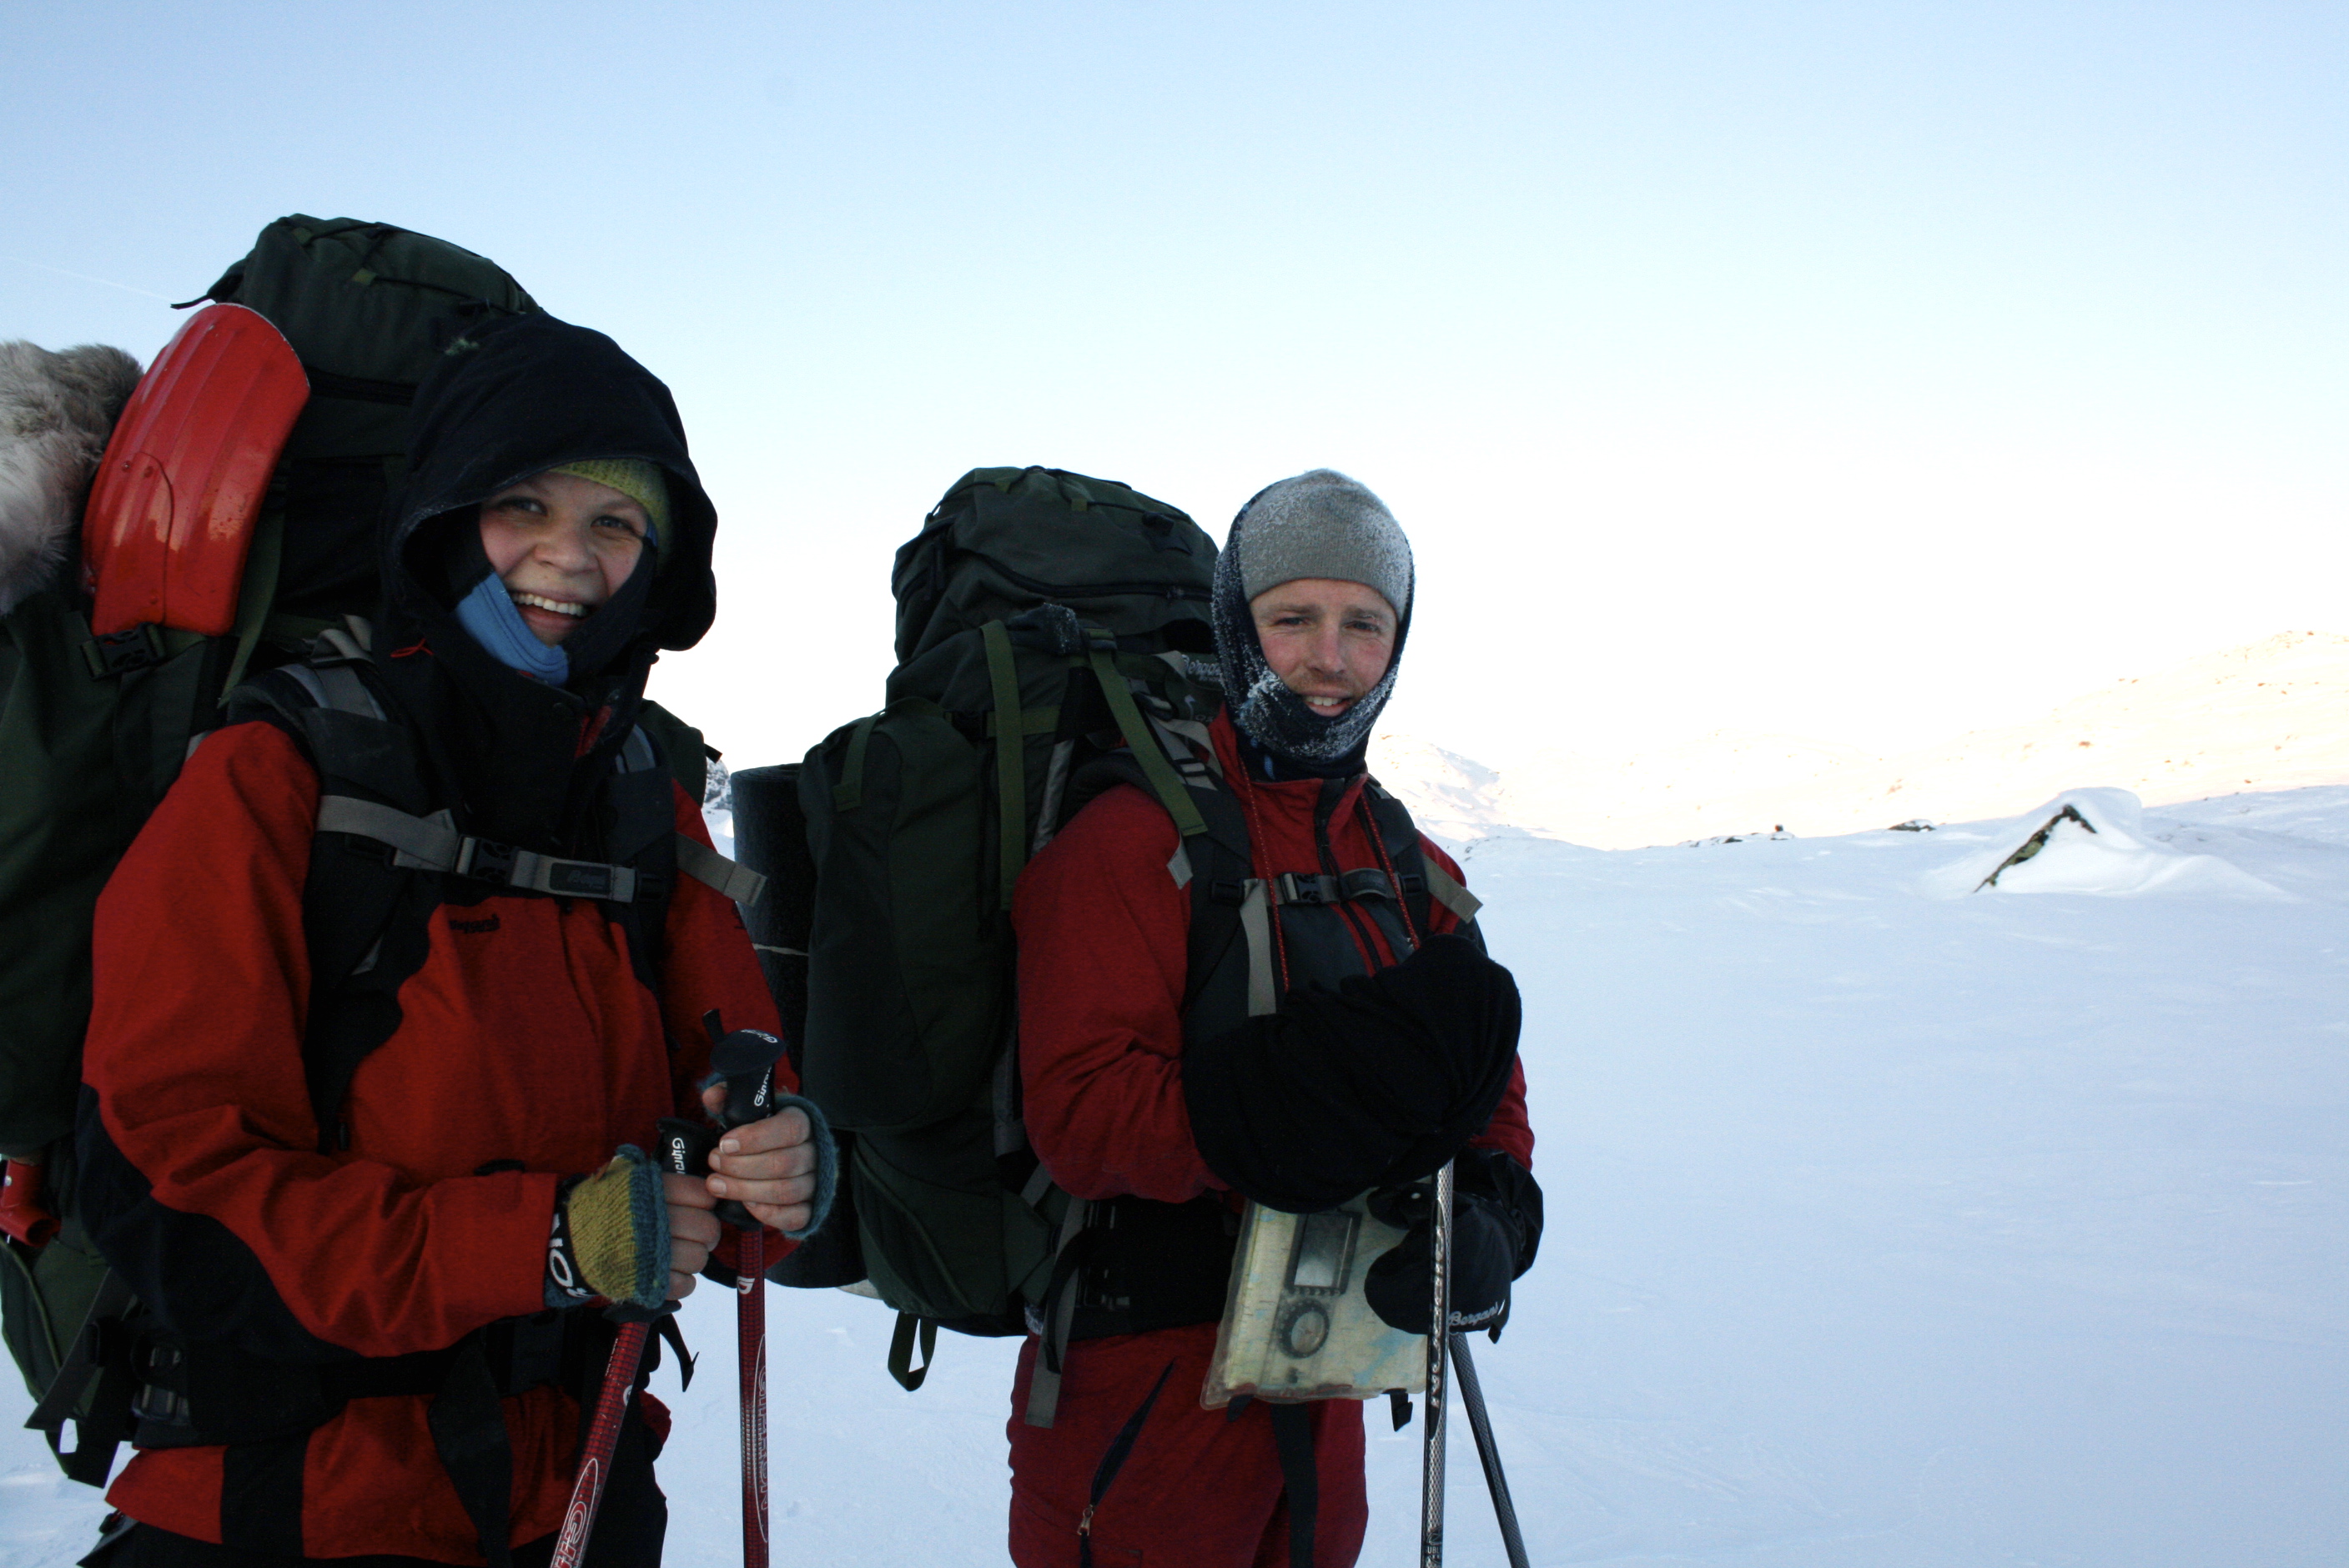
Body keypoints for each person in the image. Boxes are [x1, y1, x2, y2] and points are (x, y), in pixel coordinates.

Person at [73, 314, 827, 1567]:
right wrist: (540, 1246)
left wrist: (776, 1167)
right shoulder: (278, 770)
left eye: (616, 522)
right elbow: (174, 1199)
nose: (569, 556)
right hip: (295, 1502)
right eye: (523, 504)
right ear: (443, 518)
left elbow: (736, 1107)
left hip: (582, 1488)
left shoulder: (644, 794)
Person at [1006, 470, 1542, 1567]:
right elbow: (1083, 1116)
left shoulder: (1408, 863)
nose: (1329, 658)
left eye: (1364, 624)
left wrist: (1492, 1217)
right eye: (1293, 618)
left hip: (1324, 1377)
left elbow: (1490, 1098)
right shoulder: (1131, 840)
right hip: (1143, 1396)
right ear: (1236, 629)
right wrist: (1318, 1114)